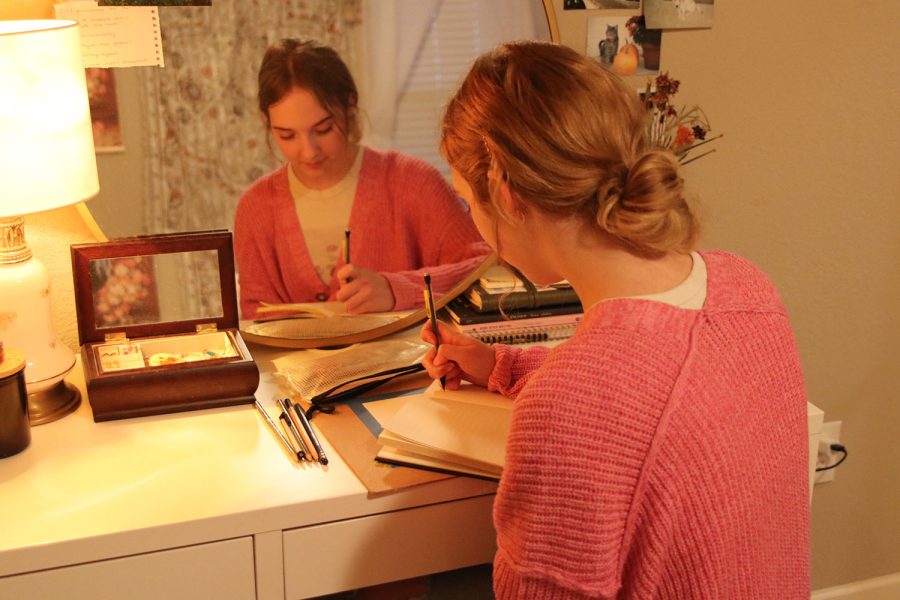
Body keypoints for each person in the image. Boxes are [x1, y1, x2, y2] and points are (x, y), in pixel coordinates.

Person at [421, 41, 810, 598]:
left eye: (468, 200)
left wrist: (545, 388)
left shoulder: (570, 406)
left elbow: (609, 402)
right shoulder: (749, 290)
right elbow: (647, 394)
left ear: (504, 192)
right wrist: (500, 364)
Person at [234, 38, 489, 318]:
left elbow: (487, 267)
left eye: (323, 129)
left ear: (350, 105)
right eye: (287, 135)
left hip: (410, 361)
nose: (308, 151)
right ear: (265, 123)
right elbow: (256, 321)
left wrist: (397, 290)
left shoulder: (413, 183)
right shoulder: (255, 208)